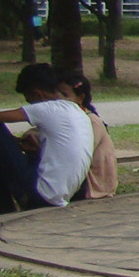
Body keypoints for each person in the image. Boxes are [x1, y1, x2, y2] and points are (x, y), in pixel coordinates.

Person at [0, 63, 94, 211]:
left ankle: (6, 208)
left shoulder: (48, 108)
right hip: (60, 196)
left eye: (29, 100)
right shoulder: (77, 111)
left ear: (37, 94)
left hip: (40, 195)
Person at [57, 68, 116, 200]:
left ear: (80, 98)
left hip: (92, 185)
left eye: (65, 95)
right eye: (57, 94)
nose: (59, 100)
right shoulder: (67, 119)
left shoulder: (92, 121)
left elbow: (80, 154)